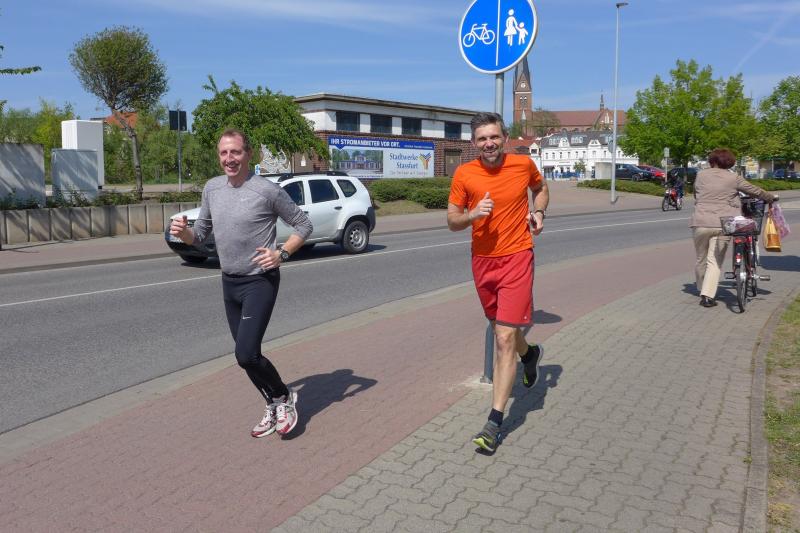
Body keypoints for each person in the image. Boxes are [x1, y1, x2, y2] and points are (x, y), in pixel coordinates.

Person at [169, 128, 313, 437]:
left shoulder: (267, 191)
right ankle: (273, 404)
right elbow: (200, 235)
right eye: (223, 153)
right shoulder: (212, 188)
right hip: (229, 282)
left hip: (259, 281)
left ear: (248, 154)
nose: (229, 159)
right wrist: (184, 234)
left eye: (235, 152)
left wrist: (282, 254)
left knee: (245, 353)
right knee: (247, 358)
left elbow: (303, 224)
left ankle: (284, 396)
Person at [448, 112, 550, 453]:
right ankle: (530, 355)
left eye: (494, 137)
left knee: (503, 337)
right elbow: (452, 220)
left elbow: (541, 189)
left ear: (504, 138)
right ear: (474, 143)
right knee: (502, 328)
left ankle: (494, 422)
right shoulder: (464, 174)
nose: (489, 143)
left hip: (518, 256)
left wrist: (539, 212)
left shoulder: (523, 164)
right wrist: (472, 215)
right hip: (482, 261)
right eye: (482, 139)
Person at [690, 148, 777, 307]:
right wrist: (770, 197)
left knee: (700, 258)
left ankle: (701, 288)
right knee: (714, 260)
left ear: (712, 161)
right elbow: (754, 191)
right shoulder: (733, 177)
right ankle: (707, 296)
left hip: (700, 222)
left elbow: (696, 193)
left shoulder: (700, 175)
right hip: (724, 224)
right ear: (729, 162)